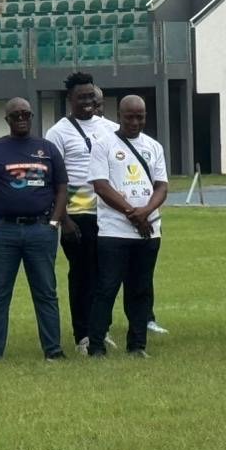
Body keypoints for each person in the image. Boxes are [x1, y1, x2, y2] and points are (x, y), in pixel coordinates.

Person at [0, 97, 68, 361]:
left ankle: (53, 350)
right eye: (16, 115)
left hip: (40, 229)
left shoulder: (47, 148)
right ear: (7, 120)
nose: (21, 118)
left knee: (46, 292)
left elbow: (61, 188)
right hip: (3, 230)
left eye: (26, 114)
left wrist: (54, 223)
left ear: (32, 116)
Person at [86, 95, 168, 358]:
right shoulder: (103, 144)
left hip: (149, 230)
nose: (135, 121)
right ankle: (96, 345)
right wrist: (133, 213)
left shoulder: (153, 146)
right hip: (114, 231)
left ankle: (137, 345)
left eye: (140, 116)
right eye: (130, 116)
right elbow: (101, 185)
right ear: (119, 115)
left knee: (141, 289)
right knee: (107, 287)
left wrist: (146, 212)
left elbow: (162, 186)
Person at [45, 72, 119, 354]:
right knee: (82, 276)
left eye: (91, 96)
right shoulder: (58, 132)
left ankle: (101, 329)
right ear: (70, 99)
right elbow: (54, 180)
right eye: (81, 97)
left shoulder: (110, 128)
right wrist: (63, 219)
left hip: (108, 215)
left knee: (106, 277)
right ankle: (83, 336)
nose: (87, 102)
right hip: (76, 217)